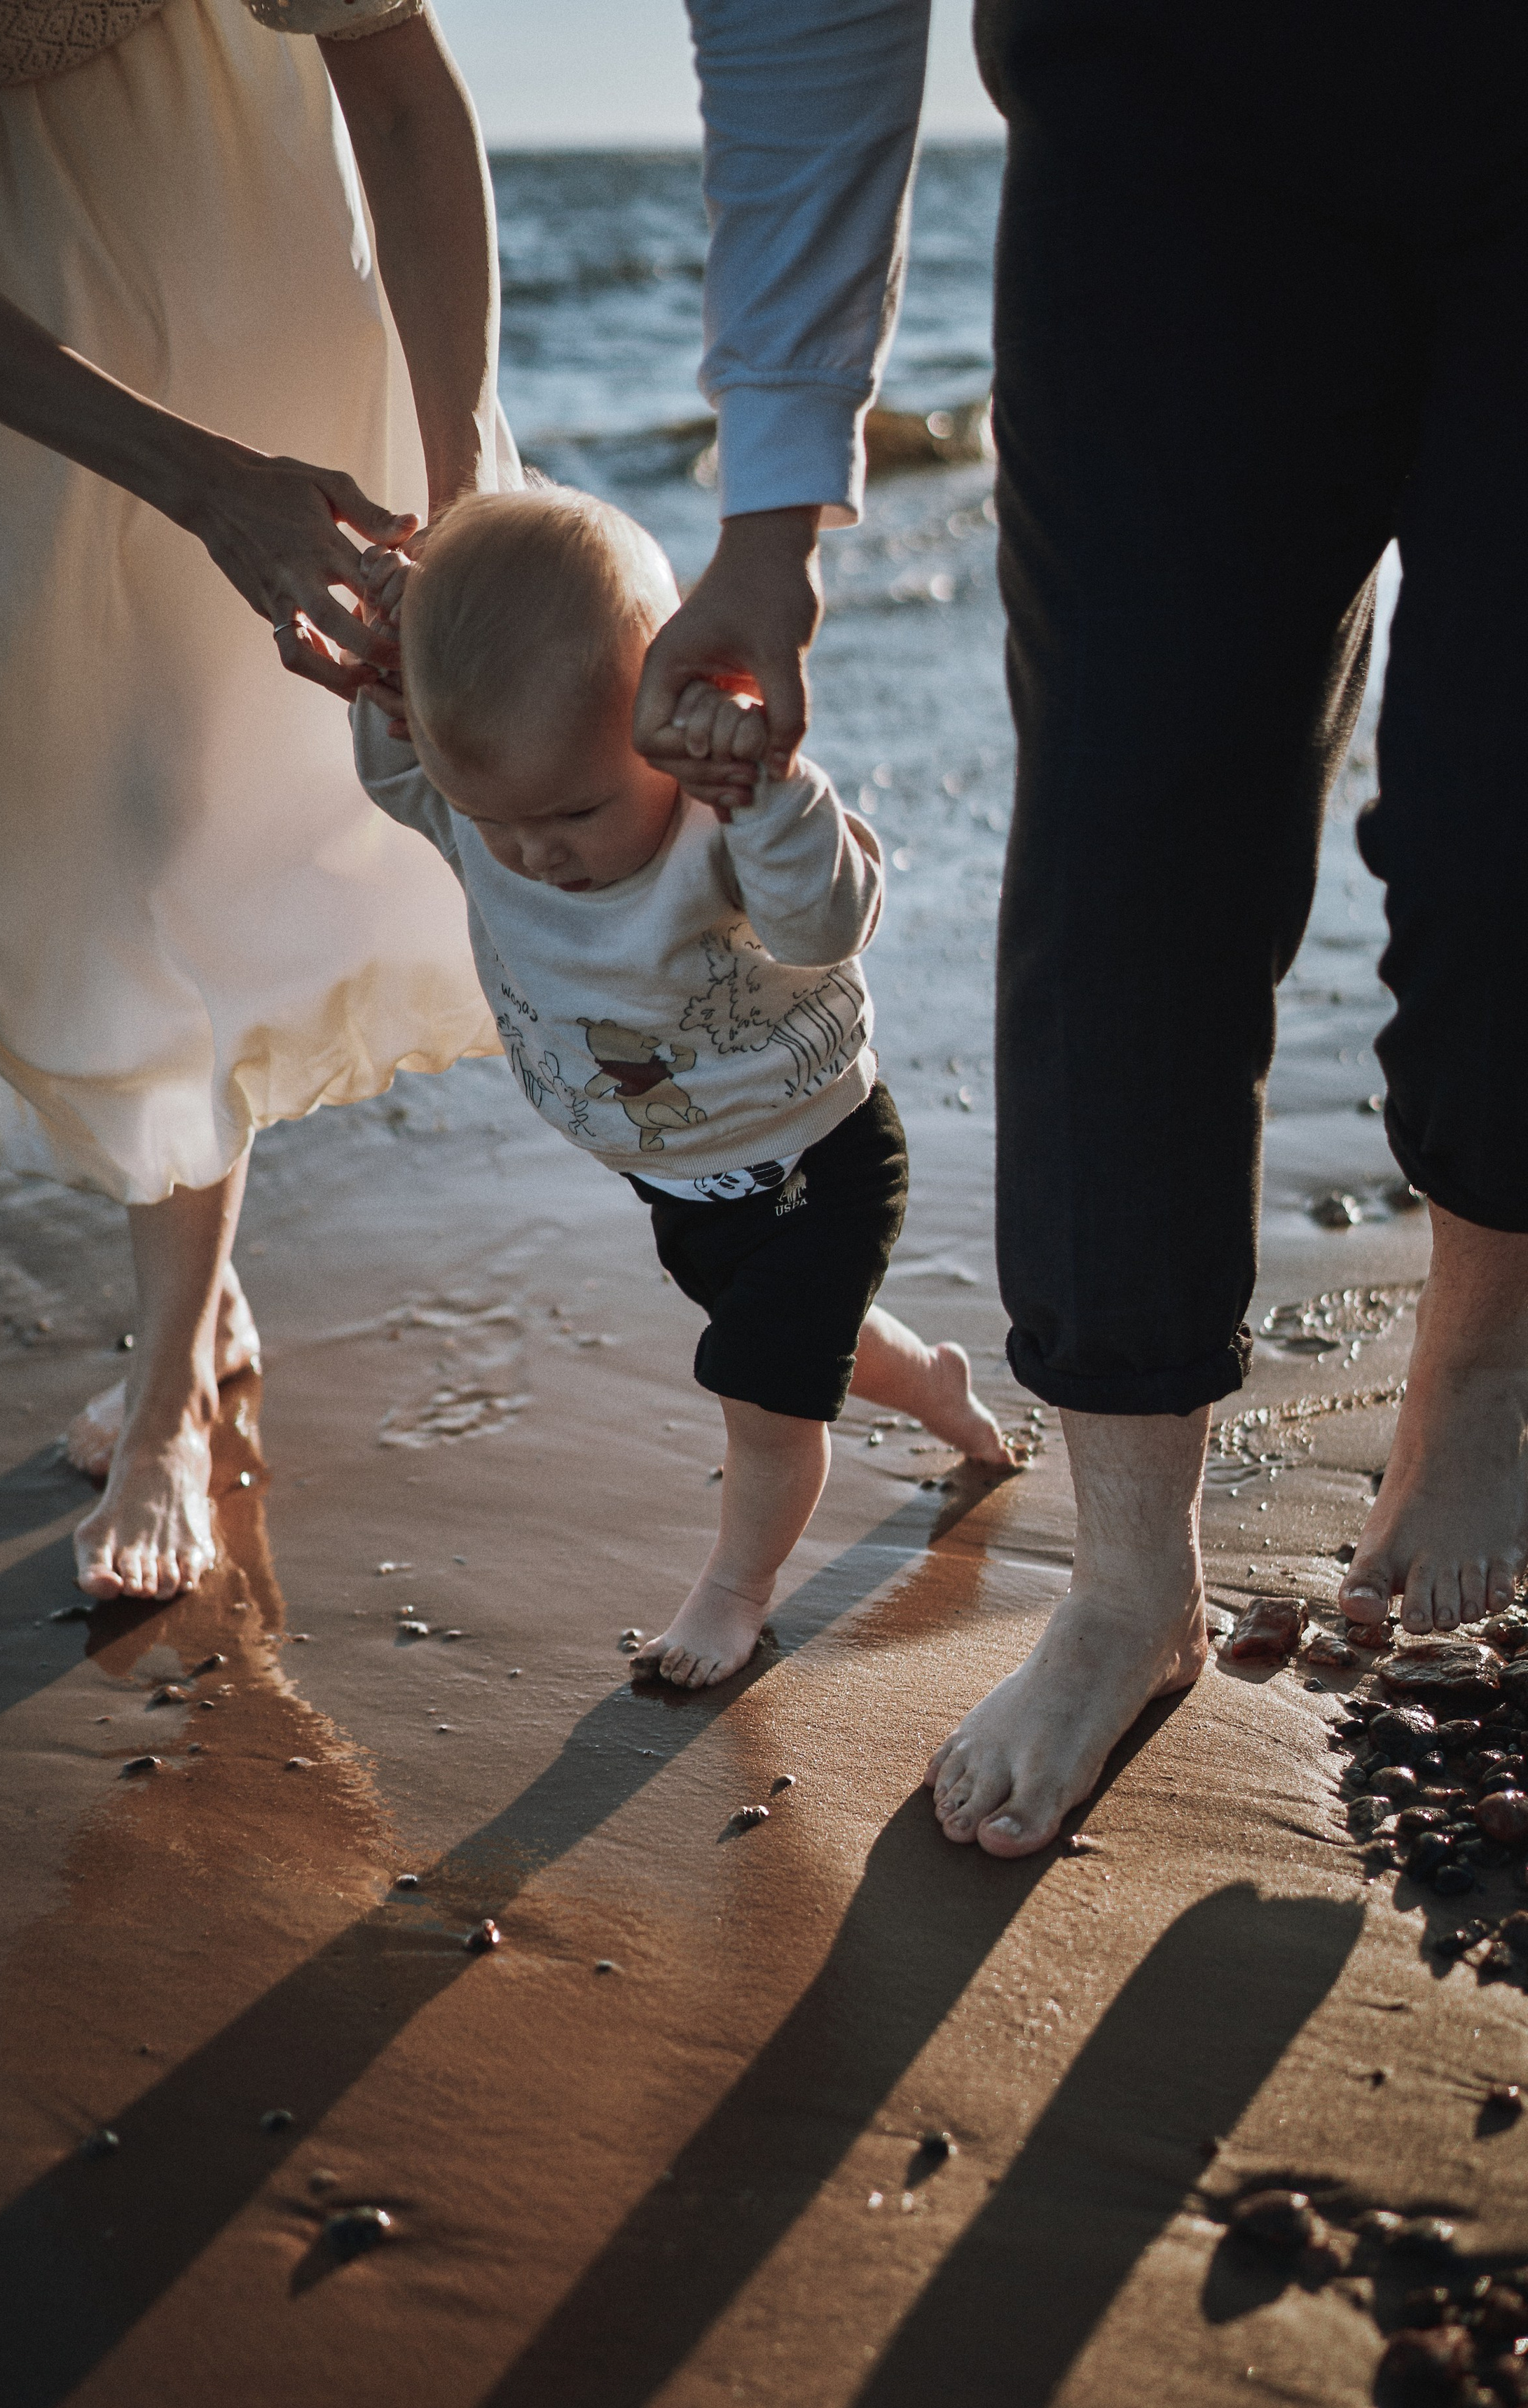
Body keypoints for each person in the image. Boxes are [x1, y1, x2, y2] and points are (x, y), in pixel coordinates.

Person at [633, 0, 1528, 1850]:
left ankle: (1484, 1368)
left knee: (1506, 808)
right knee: (1132, 824)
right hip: (1169, 110)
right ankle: (1128, 1582)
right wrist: (773, 512)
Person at [0, 0, 514, 1602]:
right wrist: (197, 479)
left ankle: (166, 1390)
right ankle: (194, 1299)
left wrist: (468, 495)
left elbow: (393, 65)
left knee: (183, 783)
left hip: (219, 198)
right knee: (19, 769)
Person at [347, 487, 1010, 1686]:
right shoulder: (485, 810)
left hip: (820, 1156)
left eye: (577, 811)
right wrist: (394, 682)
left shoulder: (724, 824)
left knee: (766, 1396)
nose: (537, 851)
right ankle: (942, 1391)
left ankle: (735, 1591)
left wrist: (772, 798)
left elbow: (829, 927)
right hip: (681, 1181)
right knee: (812, 1344)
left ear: (666, 721)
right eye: (500, 820)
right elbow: (406, 781)